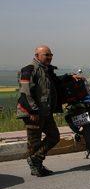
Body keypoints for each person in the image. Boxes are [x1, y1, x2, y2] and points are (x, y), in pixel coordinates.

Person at [17, 46, 63, 176]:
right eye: (46, 55)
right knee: (34, 142)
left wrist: (72, 76)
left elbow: (57, 82)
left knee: (54, 136)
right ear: (37, 55)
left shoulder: (46, 70)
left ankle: (35, 160)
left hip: (45, 112)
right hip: (32, 113)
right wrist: (33, 111)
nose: (49, 57)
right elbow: (25, 93)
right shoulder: (29, 69)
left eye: (50, 55)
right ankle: (36, 166)